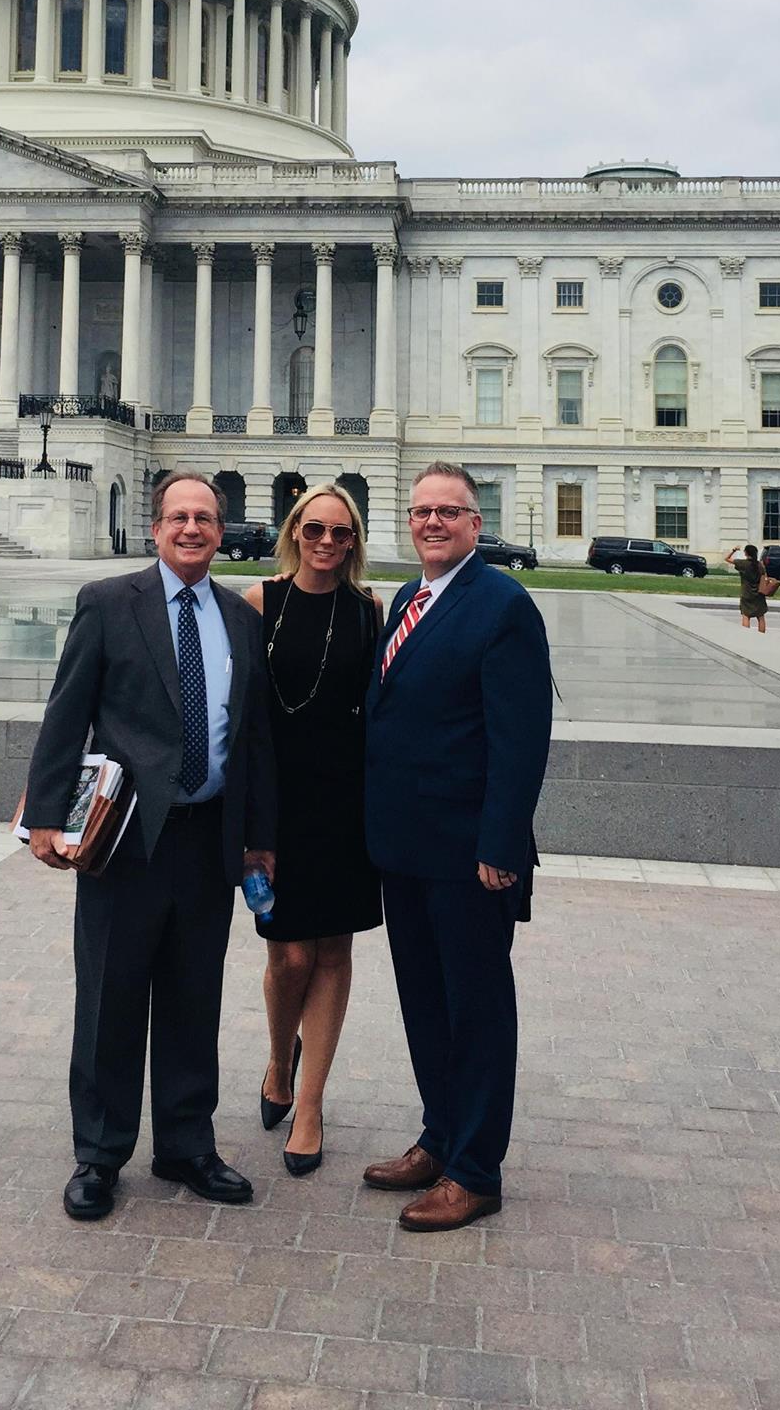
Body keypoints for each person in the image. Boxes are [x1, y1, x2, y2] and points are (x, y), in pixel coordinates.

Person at [22, 469, 276, 1222]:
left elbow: (252, 738)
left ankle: (187, 1143)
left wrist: (259, 840)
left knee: (195, 996)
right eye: (178, 517)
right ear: (157, 527)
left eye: (205, 518)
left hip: (208, 839)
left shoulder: (240, 618)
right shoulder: (108, 604)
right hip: (126, 839)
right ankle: (99, 1154)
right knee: (110, 996)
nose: (192, 529)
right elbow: (66, 716)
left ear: (220, 532)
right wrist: (47, 815)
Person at [362, 462, 553, 1233]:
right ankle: (440, 1136)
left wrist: (500, 844)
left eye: (449, 511)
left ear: (477, 523)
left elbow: (521, 739)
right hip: (406, 849)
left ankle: (476, 1170)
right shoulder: (409, 598)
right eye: (421, 511)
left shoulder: (502, 605)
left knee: (475, 1010)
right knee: (425, 1004)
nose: (433, 522)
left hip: (470, 853)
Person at [243, 483, 384, 1178]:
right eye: (315, 529)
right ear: (295, 530)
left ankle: (311, 1105)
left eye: (341, 533)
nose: (327, 542)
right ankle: (278, 1060)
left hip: (346, 805)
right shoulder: (258, 603)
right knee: (288, 958)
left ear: (354, 541)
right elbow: (237, 715)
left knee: (332, 954)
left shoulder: (369, 611)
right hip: (276, 804)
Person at [726, 543, 768, 632]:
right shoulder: (760, 565)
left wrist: (734, 550)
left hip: (746, 593)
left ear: (746, 553)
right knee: (760, 617)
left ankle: (746, 635)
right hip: (759, 594)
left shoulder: (742, 564)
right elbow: (765, 577)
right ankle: (762, 636)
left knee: (746, 616)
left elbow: (727, 559)